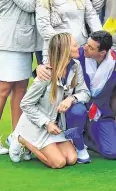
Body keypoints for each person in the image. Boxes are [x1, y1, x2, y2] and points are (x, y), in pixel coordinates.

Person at [9, 33, 90, 168]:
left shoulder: (76, 66)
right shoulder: (46, 73)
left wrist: (71, 98)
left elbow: (85, 93)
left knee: (72, 158)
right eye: (75, 45)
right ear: (65, 50)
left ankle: (38, 143)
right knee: (58, 163)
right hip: (38, 125)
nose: (79, 48)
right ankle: (20, 138)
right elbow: (26, 104)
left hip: (57, 126)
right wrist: (46, 123)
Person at [63, 31, 116, 162]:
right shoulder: (77, 55)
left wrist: (114, 115)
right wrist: (42, 67)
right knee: (78, 111)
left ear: (103, 53)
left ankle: (85, 137)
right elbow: (55, 60)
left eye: (91, 47)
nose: (85, 47)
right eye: (87, 44)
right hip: (77, 107)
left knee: (114, 152)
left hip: (101, 113)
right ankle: (76, 136)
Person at [0, 0, 38, 155]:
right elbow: (29, 4)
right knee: (3, 89)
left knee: (20, 90)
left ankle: (16, 138)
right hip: (8, 43)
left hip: (22, 43)